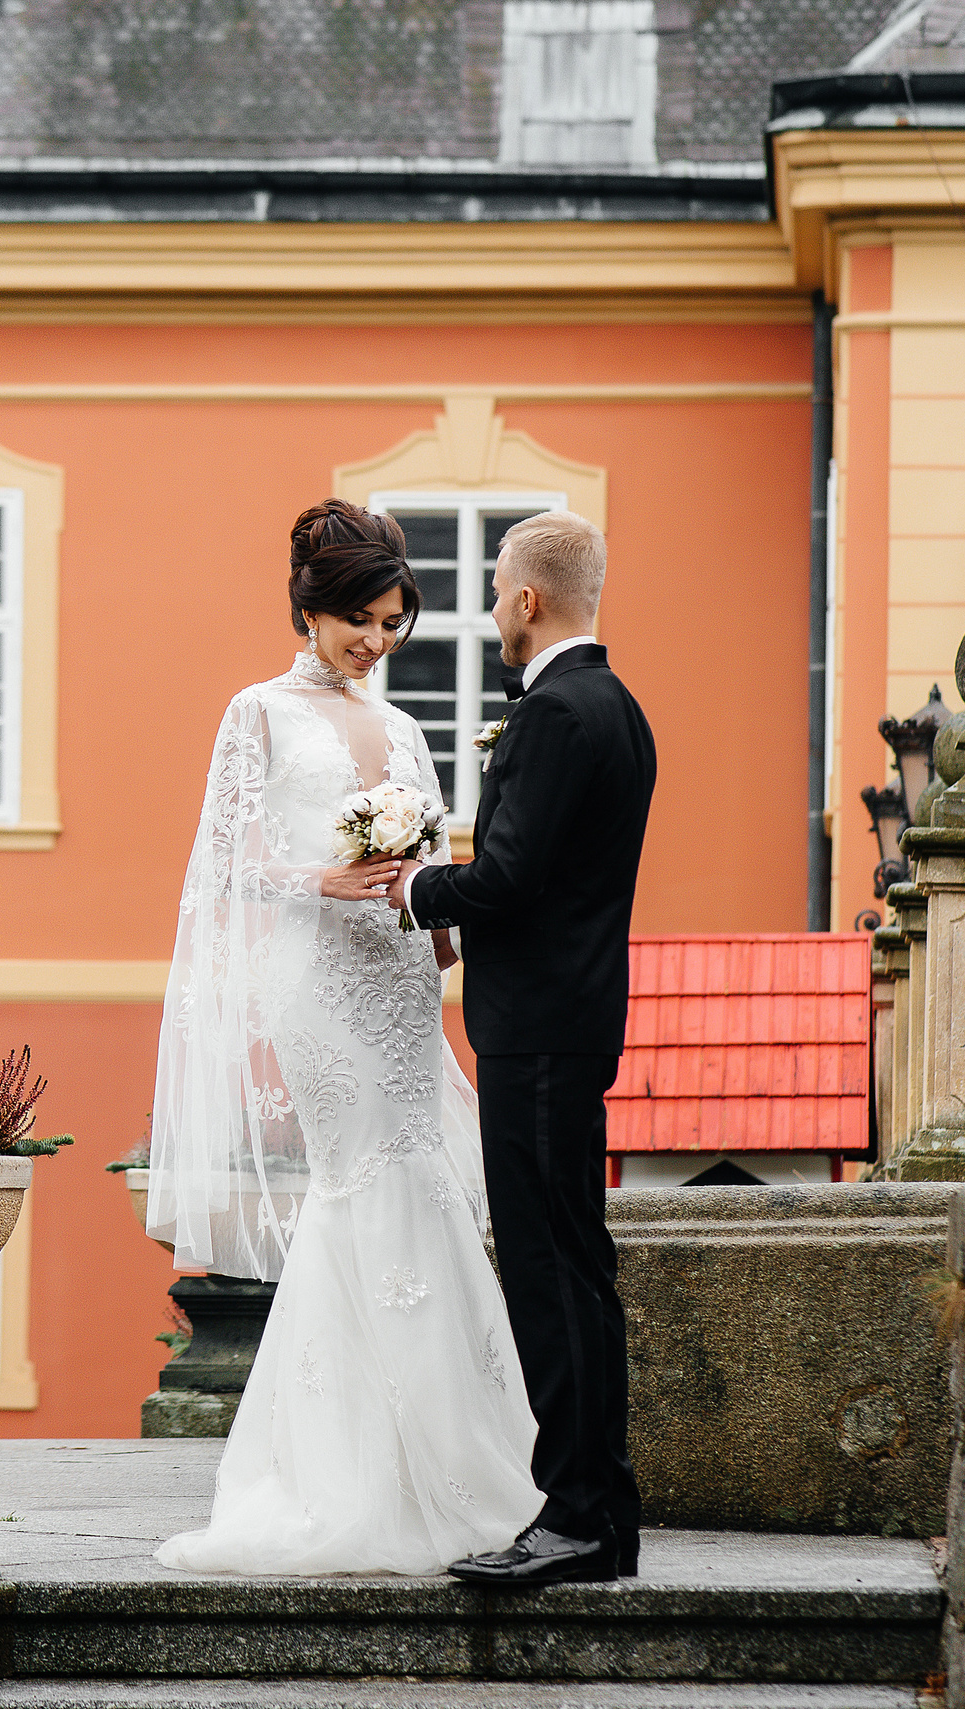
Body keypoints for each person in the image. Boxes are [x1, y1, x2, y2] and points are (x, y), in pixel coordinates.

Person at [149, 497, 544, 1576]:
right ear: (311, 610)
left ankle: (449, 1458)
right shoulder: (257, 713)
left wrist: (452, 938)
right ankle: (349, 1476)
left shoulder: (407, 728)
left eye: (392, 622)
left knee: (419, 1181)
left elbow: (429, 865)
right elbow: (219, 867)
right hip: (320, 981)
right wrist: (316, 877)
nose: (375, 640)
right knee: (363, 1183)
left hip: (405, 982)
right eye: (358, 621)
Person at [394, 510, 657, 1587]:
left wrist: (410, 887)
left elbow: (506, 879)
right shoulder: (619, 707)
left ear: (525, 599)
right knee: (574, 1265)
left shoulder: (554, 712)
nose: (491, 606)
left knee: (551, 1273)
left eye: (496, 587)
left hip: (537, 1031)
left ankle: (581, 1512)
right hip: (567, 1017)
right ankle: (598, 1507)